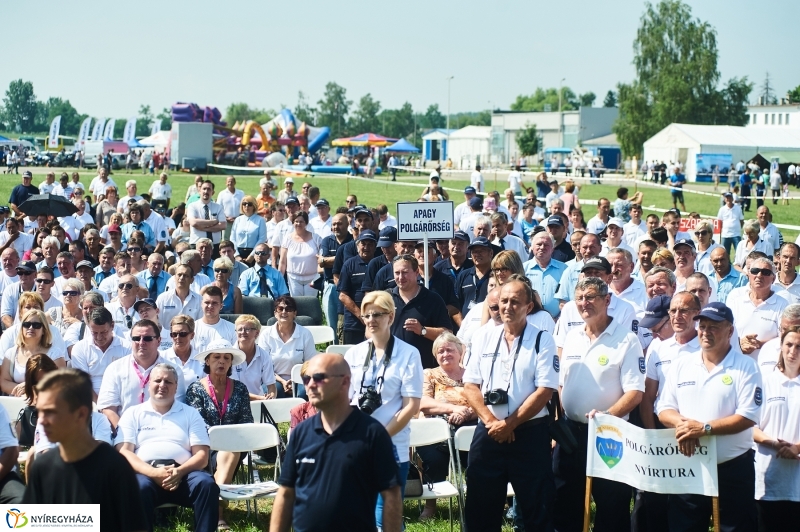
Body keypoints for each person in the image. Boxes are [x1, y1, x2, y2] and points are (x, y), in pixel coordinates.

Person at [462, 277, 559, 531]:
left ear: (528, 307)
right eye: (503, 301)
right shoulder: (483, 336)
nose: (507, 307)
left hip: (529, 434)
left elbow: (545, 390)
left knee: (537, 510)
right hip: (489, 431)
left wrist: (510, 423)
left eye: (515, 302)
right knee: (480, 510)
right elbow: (470, 385)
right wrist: (493, 422)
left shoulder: (542, 340)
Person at [657, 302, 761, 532]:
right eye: (702, 326)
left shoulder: (746, 367)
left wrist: (703, 429)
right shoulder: (681, 365)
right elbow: (664, 408)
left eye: (713, 327)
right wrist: (684, 426)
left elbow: (747, 416)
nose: (705, 332)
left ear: (730, 331)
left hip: (732, 469)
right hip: (688, 466)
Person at [270, 353, 402, 532]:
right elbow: (286, 493)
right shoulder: (302, 432)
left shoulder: (372, 433)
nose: (310, 384)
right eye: (306, 378)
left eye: (319, 378)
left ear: (344, 382)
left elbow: (391, 495)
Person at [555, 276, 644, 532]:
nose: (584, 303)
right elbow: (563, 383)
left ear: (607, 300)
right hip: (571, 433)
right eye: (580, 298)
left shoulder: (627, 340)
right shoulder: (571, 336)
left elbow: (635, 392)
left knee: (611, 503)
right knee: (566, 499)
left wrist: (606, 416)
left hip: (609, 434)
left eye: (591, 297)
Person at [22, 369, 146, 531]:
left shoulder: (115, 469)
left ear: (81, 414)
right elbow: (29, 524)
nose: (42, 421)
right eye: (40, 412)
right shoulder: (43, 467)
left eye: (51, 412)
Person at [344, 290, 422, 530]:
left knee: (385, 518)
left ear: (391, 316)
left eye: (377, 314)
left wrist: (378, 438)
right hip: (356, 446)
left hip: (392, 447)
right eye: (367, 315)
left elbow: (412, 406)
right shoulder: (354, 353)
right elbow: (345, 400)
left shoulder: (409, 354)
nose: (371, 320)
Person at [117, 363, 219, 532]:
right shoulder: (132, 413)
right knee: (136, 488)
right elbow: (125, 452)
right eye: (157, 380)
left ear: (176, 386)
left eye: (168, 382)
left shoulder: (190, 413)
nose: (162, 385)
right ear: (148, 384)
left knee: (206, 484)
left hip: (184, 475)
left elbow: (202, 455)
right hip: (145, 475)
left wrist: (179, 472)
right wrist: (154, 473)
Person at [184, 340, 254, 529]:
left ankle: (214, 508)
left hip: (235, 446)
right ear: (207, 361)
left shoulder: (240, 389)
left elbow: (247, 422)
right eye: (216, 357)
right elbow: (197, 424)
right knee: (227, 450)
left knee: (230, 450)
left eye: (226, 358)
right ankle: (218, 510)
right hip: (204, 447)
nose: (221, 362)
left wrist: (228, 438)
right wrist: (221, 437)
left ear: (231, 363)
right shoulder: (195, 389)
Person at [416, 333, 475, 519]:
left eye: (449, 349)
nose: (445, 354)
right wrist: (454, 409)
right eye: (440, 351)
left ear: (460, 352)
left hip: (468, 426)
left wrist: (465, 414)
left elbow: (484, 402)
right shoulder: (429, 374)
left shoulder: (472, 375)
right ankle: (430, 505)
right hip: (436, 429)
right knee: (434, 459)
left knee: (479, 458)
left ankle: (476, 502)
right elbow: (423, 403)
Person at [97, 319, 187, 430]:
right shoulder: (114, 369)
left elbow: (178, 408)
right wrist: (125, 435)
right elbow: (108, 409)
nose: (141, 342)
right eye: (136, 338)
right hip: (123, 434)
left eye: (147, 338)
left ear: (159, 341)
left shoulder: (174, 370)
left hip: (162, 433)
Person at [753, 326, 800, 531]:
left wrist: (797, 448)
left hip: (796, 485)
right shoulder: (764, 381)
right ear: (780, 347)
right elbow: (750, 426)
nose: (793, 351)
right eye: (789, 345)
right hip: (766, 481)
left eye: (799, 346)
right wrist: (773, 443)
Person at [389, 254, 453, 370]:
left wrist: (423, 330)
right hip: (392, 368)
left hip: (422, 369)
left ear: (417, 272)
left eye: (405, 272)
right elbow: (370, 331)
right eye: (397, 273)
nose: (400, 277)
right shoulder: (386, 298)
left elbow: (447, 333)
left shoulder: (433, 299)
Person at [728, 256, 788, 361]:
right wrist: (739, 343)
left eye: (765, 272)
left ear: (773, 279)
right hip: (738, 364)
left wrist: (760, 344)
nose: (759, 275)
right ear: (749, 275)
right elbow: (725, 332)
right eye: (755, 271)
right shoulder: (736, 303)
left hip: (769, 366)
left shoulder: (782, 305)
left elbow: (787, 337)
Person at [257, 295, 316, 398]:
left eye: (288, 309)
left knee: (302, 393)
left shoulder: (305, 334)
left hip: (300, 378)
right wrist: (283, 382)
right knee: (274, 392)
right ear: (275, 313)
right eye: (280, 309)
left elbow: (309, 365)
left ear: (295, 313)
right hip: (273, 379)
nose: (284, 312)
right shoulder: (266, 334)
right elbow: (263, 367)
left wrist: (294, 381)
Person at [1, 309, 65, 396]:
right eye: (26, 324)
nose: (31, 328)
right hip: (15, 404)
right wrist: (24, 391)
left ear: (44, 330)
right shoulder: (11, 353)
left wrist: (31, 389)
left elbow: (60, 383)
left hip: (44, 404)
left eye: (36, 325)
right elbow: (3, 381)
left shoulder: (55, 354)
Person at [338, 229, 378, 344]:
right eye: (363, 244)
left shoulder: (379, 264)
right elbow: (343, 295)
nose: (366, 247)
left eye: (370, 244)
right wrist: (362, 316)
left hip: (377, 322)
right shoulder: (349, 265)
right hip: (353, 323)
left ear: (375, 247)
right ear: (357, 245)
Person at [231, 314, 276, 400]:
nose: (243, 332)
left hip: (258, 402)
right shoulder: (229, 356)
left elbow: (271, 385)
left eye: (247, 329)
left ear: (257, 333)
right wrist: (261, 398)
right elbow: (234, 390)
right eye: (240, 329)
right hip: (235, 402)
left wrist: (271, 397)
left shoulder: (264, 356)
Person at [280, 211, 321, 297]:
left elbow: (321, 258)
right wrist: (279, 278)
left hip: (312, 278)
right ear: (293, 222)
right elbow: (282, 262)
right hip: (293, 279)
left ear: (306, 223)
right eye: (296, 221)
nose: (298, 224)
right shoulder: (287, 239)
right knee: (296, 304)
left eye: (301, 221)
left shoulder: (316, 238)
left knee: (309, 304)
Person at [186, 180, 226, 251]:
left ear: (213, 192)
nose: (206, 191)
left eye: (209, 189)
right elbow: (194, 223)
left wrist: (203, 228)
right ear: (199, 191)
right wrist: (213, 222)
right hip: (196, 244)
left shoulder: (218, 207)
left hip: (214, 245)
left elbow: (223, 225)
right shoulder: (192, 206)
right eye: (204, 189)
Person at [230, 194, 266, 260]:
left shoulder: (261, 220)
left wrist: (253, 255)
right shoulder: (238, 220)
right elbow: (232, 238)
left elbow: (262, 238)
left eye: (249, 204)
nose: (246, 206)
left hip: (255, 253)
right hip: (238, 252)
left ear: (254, 206)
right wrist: (236, 255)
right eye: (244, 204)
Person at [718, 192, 745, 256]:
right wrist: (721, 232)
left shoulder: (738, 208)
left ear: (732, 198)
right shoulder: (722, 209)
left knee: (739, 252)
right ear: (724, 199)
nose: (728, 199)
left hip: (736, 234)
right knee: (725, 253)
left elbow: (741, 220)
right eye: (727, 198)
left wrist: (737, 228)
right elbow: (720, 221)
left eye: (729, 197)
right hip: (725, 234)